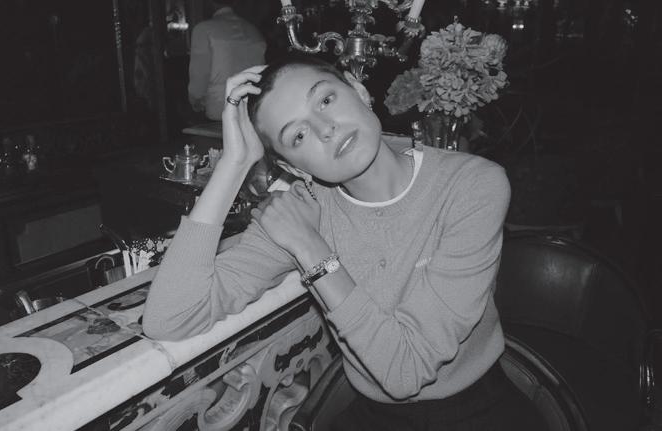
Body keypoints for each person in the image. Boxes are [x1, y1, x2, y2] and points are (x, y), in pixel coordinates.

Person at [143, 56, 548, 430]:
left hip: (478, 410)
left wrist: (312, 250)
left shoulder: (471, 185)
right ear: (291, 167)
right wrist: (234, 165)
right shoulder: (302, 208)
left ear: (359, 89)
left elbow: (406, 371)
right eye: (298, 136)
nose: (325, 128)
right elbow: (171, 316)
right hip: (374, 414)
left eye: (326, 99)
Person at [187, 0, 266, 121]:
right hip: (253, 110)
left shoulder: (203, 29)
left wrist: (195, 100)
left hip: (219, 109)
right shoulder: (254, 30)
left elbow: (199, 75)